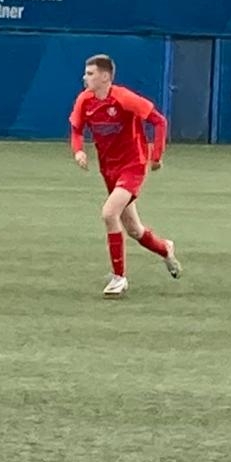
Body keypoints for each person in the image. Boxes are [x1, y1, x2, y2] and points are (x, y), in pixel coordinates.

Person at [68, 54, 180, 298]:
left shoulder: (123, 98)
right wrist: (78, 151)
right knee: (135, 230)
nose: (85, 78)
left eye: (90, 73)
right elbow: (76, 129)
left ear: (105, 77)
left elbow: (159, 121)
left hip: (133, 165)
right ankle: (165, 249)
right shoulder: (85, 100)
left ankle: (119, 278)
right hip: (109, 169)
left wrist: (156, 155)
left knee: (109, 213)